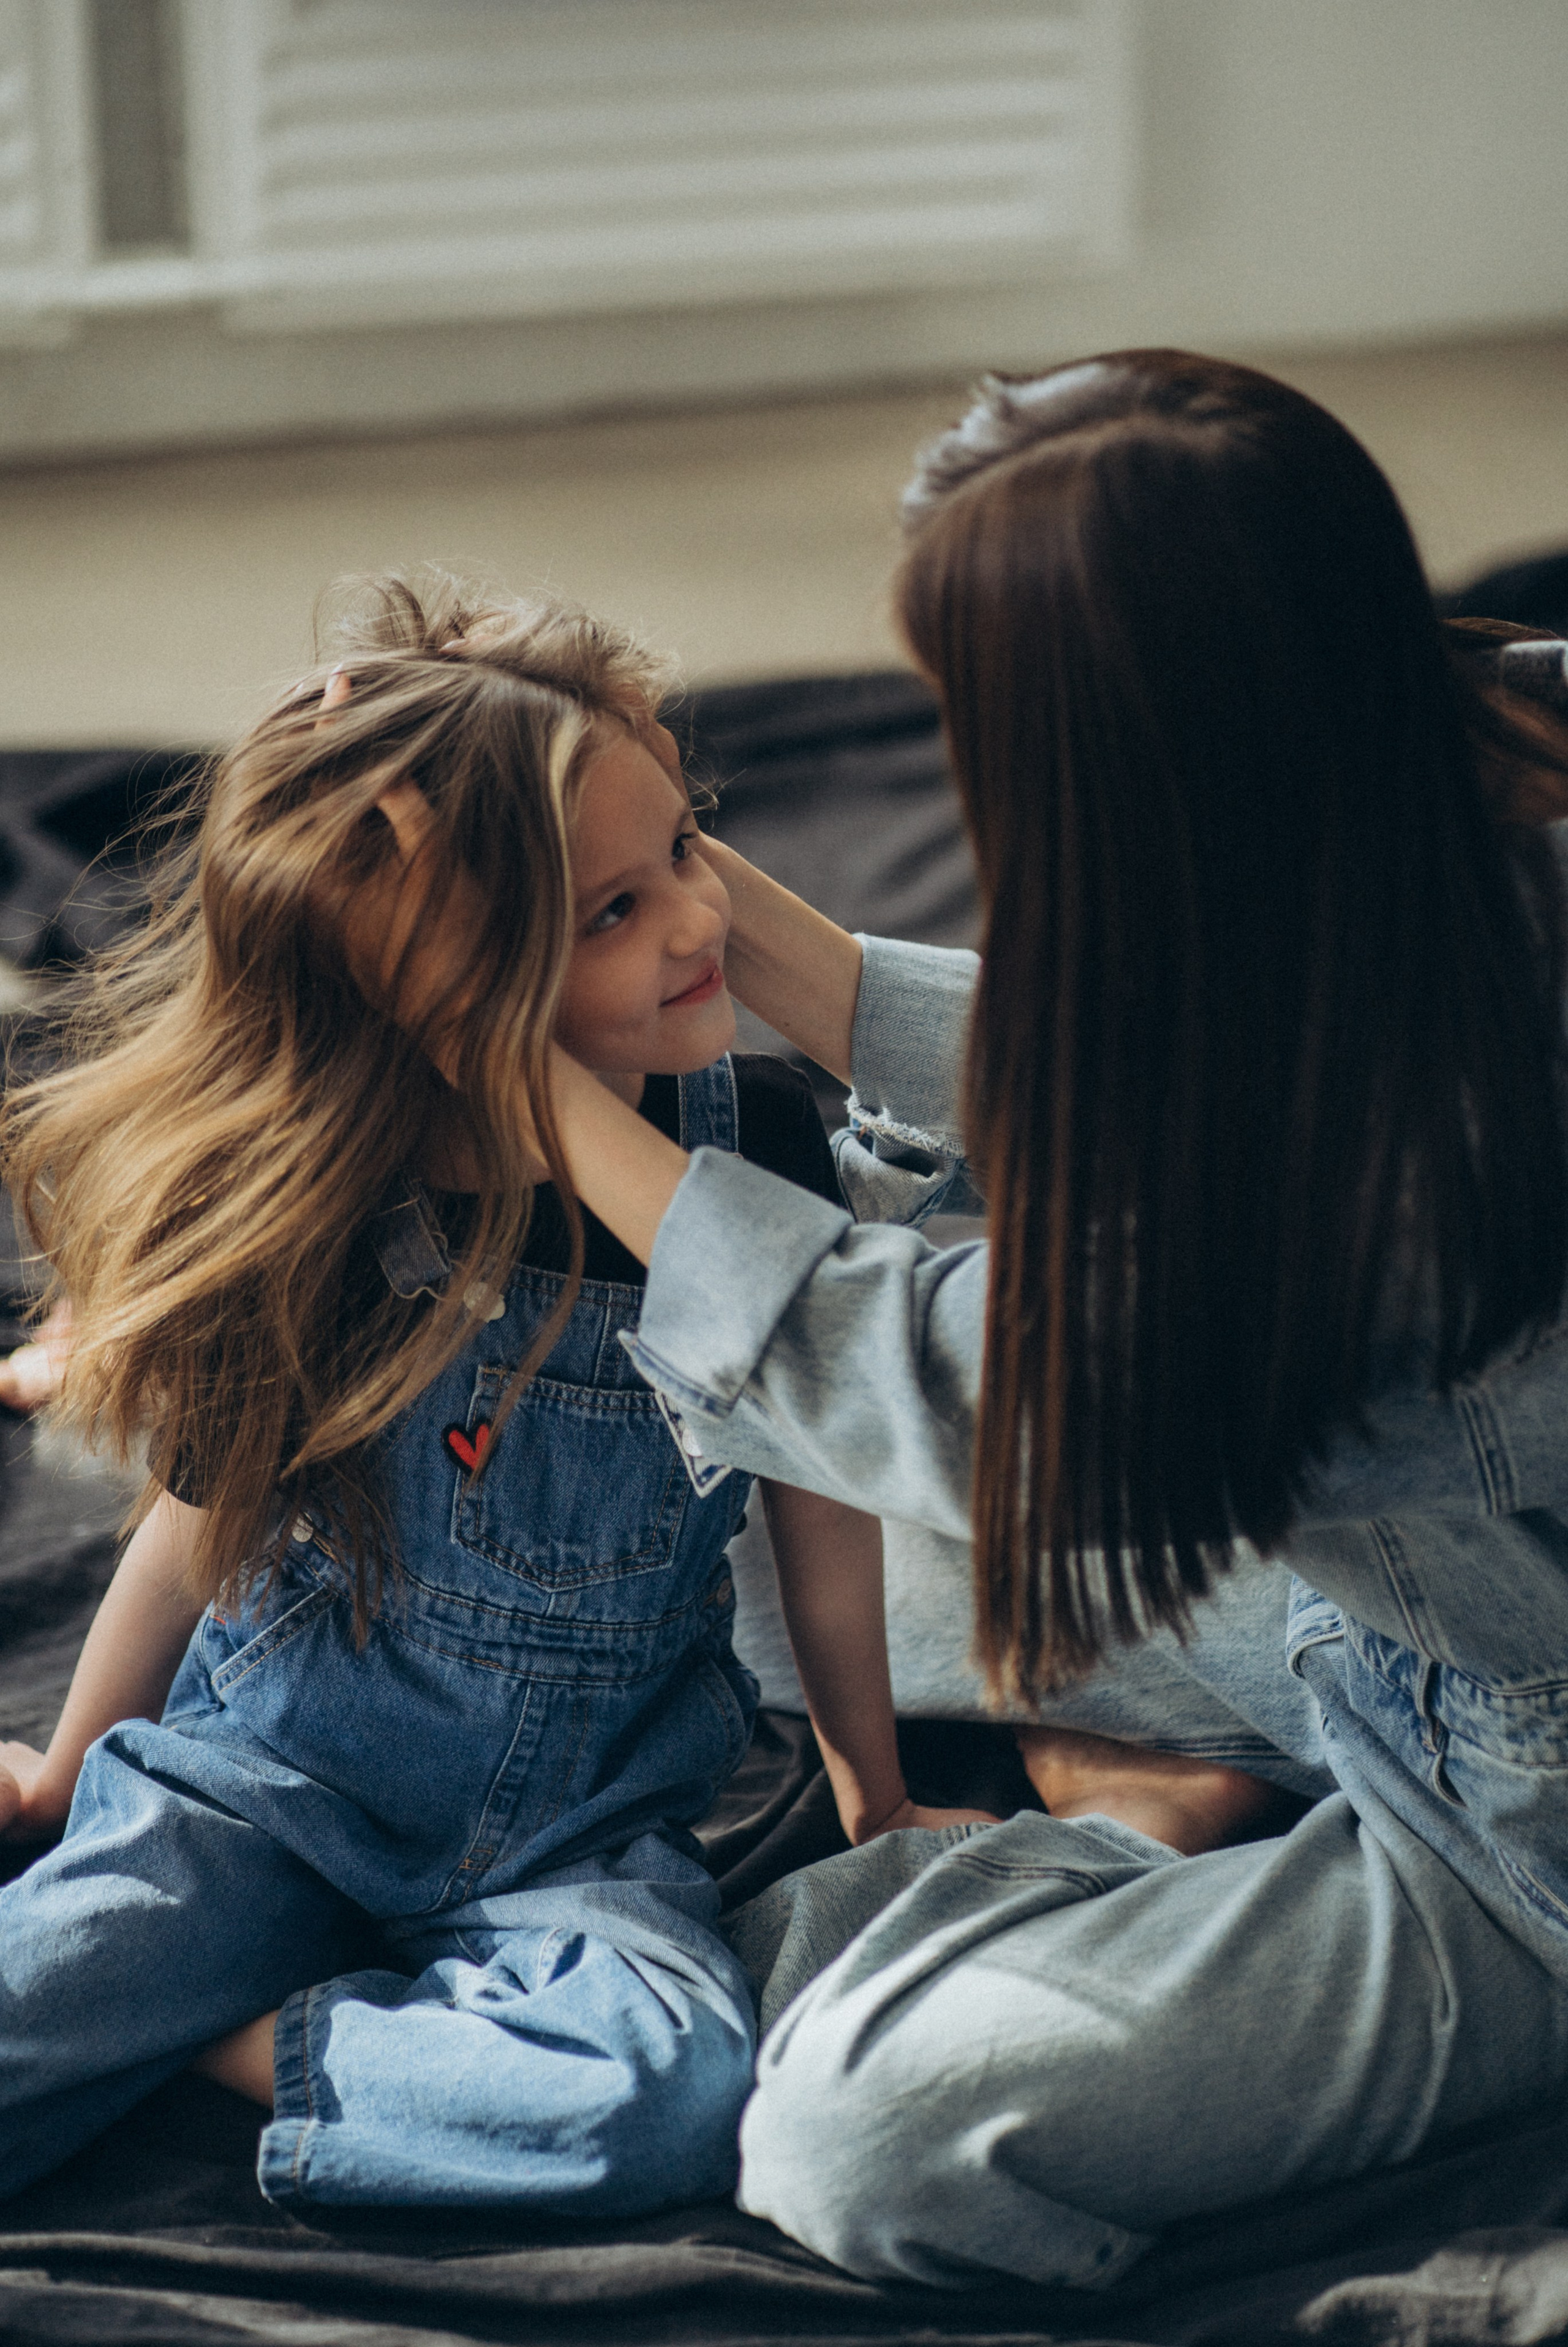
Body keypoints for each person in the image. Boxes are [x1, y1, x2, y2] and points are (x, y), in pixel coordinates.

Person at [520, 353, 1568, 2288]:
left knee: (863, 2133)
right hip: (1426, 1584)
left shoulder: (1414, 1197)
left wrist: (507, 1062)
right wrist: (625, 822)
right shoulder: (1446, 775)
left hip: (1529, 1811)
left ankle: (1144, 1834)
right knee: (705, 1564)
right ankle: (1147, 1774)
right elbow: (1166, 1096)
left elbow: (930, 1365)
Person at [0, 572, 986, 2215]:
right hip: (276, 1785)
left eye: (684, 850)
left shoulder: (756, 1146)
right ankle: (212, 2011)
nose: (696, 924)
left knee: (655, 2101)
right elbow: (198, 1521)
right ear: (435, 978)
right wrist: (69, 1766)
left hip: (588, 1837)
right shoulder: (327, 1198)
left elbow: (825, 1498)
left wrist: (867, 1784)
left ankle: (225, 2041)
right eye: (610, 912)